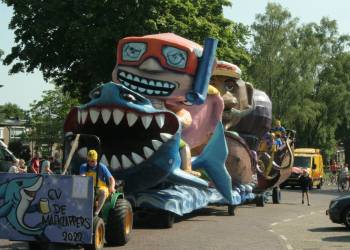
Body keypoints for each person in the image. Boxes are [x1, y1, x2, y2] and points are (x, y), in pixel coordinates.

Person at [80, 149, 116, 216]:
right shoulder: (83, 166)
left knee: (103, 192)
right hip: (88, 187)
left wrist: (112, 187)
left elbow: (111, 179)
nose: (90, 163)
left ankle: (96, 212)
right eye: (89, 161)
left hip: (100, 187)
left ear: (96, 160)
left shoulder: (102, 167)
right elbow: (82, 177)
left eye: (92, 161)